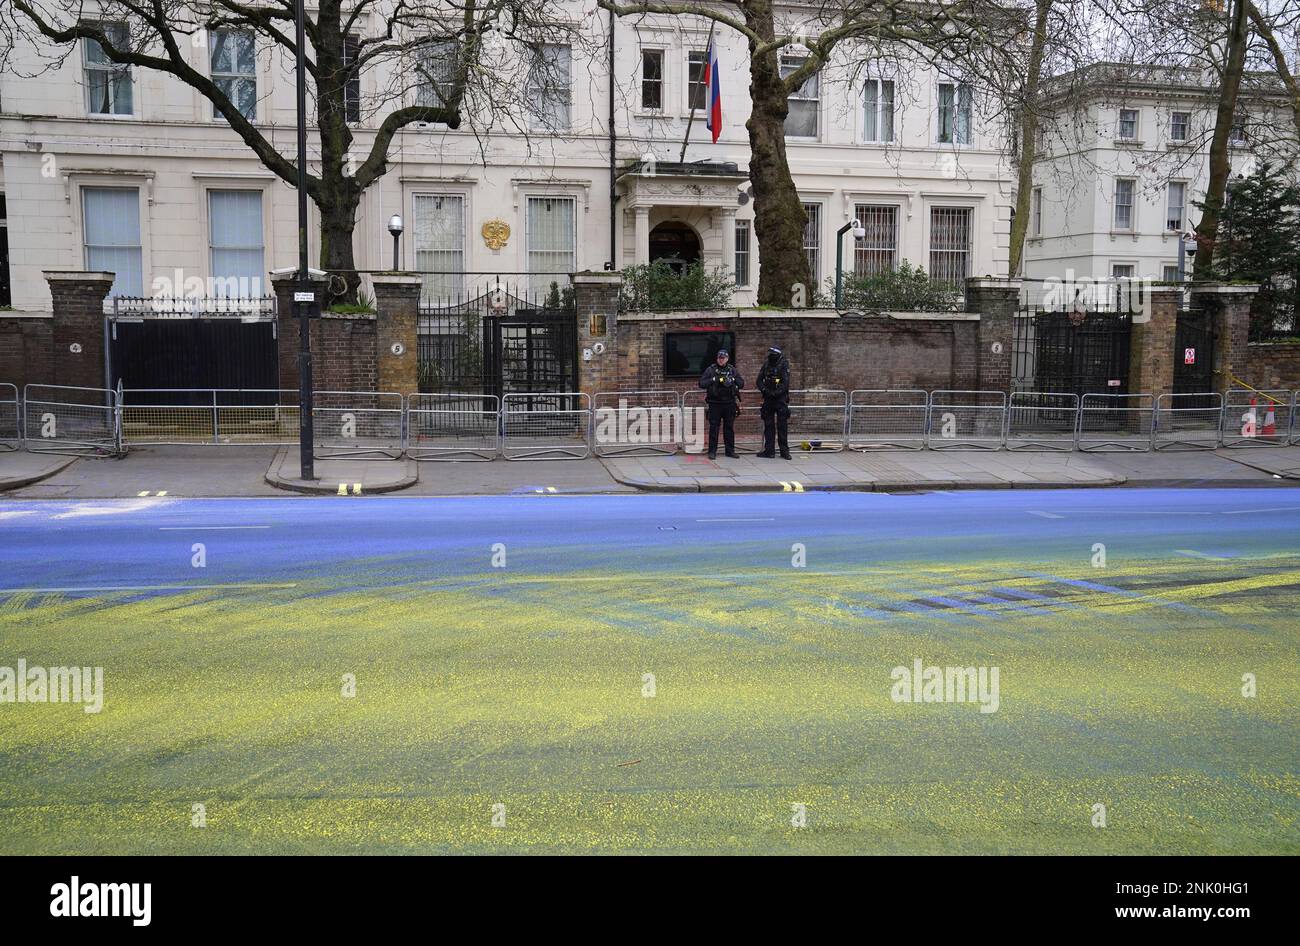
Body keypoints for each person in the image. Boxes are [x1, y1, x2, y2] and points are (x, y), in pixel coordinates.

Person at [698, 348, 744, 459]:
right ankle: (712, 452)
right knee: (714, 429)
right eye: (719, 358)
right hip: (715, 403)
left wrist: (732, 379)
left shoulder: (732, 370)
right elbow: (701, 383)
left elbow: (741, 383)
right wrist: (714, 379)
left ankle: (730, 451)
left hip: (729, 403)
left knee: (729, 428)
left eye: (723, 358)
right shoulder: (711, 370)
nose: (721, 360)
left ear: (727, 358)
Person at [756, 345, 792, 459]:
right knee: (768, 426)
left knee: (782, 426)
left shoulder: (783, 364)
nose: (770, 355)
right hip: (768, 399)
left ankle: (784, 451)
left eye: (772, 353)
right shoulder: (766, 364)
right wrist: (765, 390)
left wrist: (776, 392)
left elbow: (785, 383)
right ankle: (769, 451)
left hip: (780, 399)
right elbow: (759, 380)